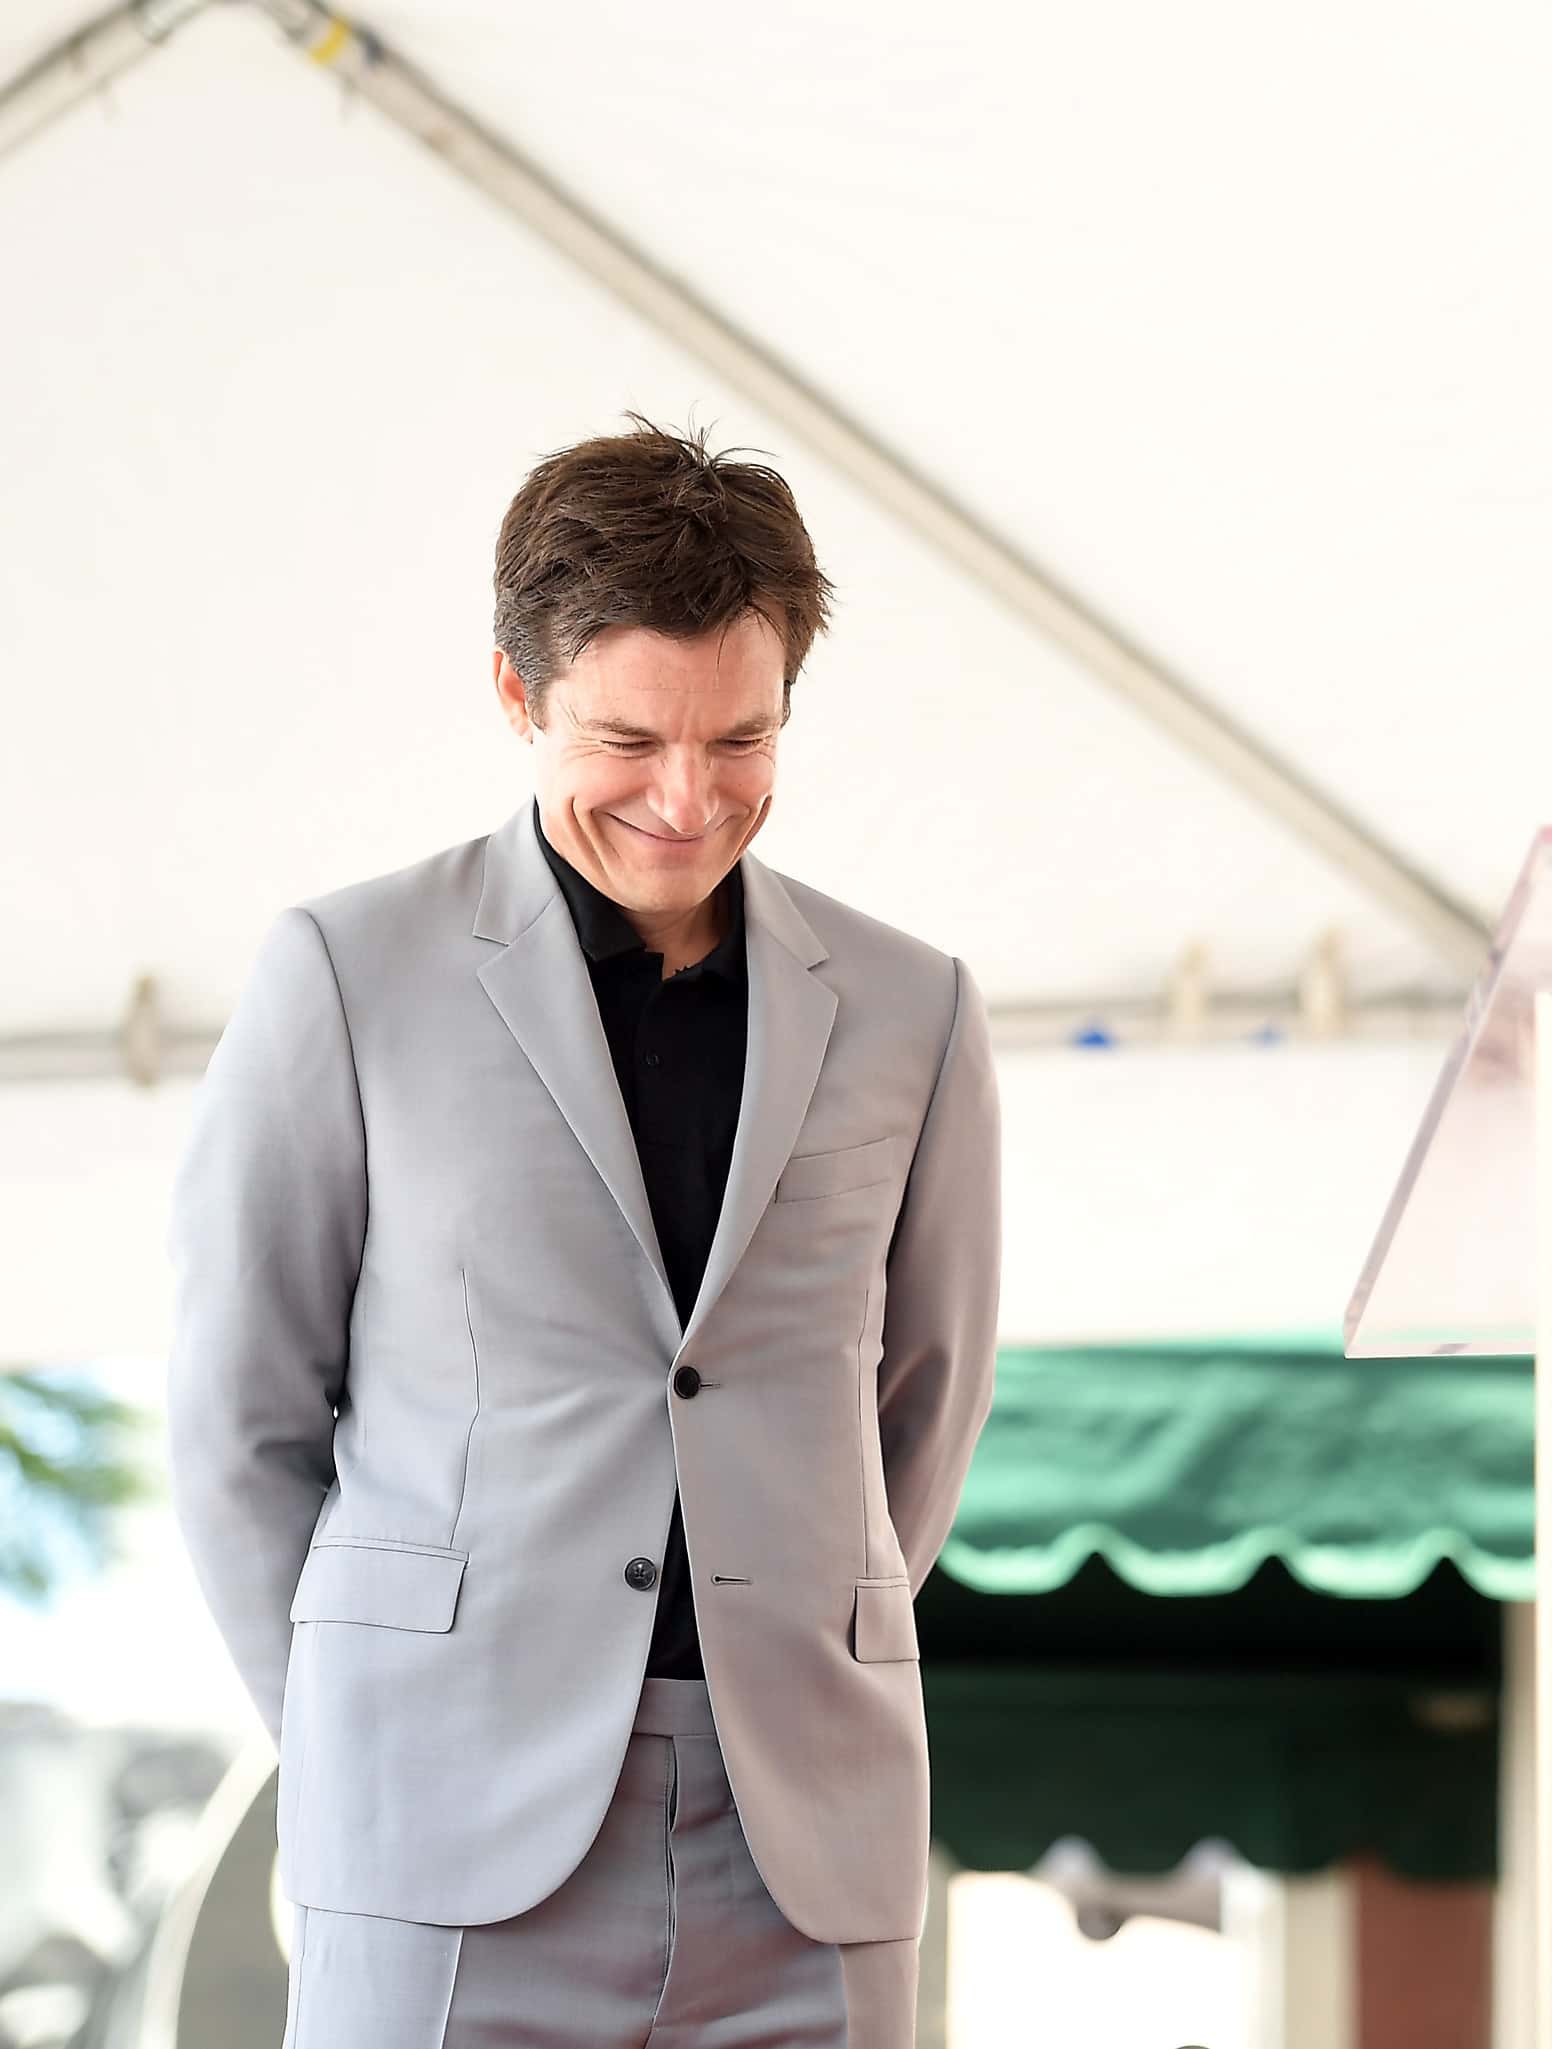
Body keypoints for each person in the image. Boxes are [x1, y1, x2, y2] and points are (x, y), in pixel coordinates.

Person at [166, 421, 1000, 2046]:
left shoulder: (916, 1009)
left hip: (804, 1836)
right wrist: (366, 1732)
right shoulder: (346, 973)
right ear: (513, 694)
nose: (688, 799)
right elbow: (237, 1420)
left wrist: (795, 1636)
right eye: (629, 737)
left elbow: (926, 1398)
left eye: (740, 738)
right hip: (438, 1813)